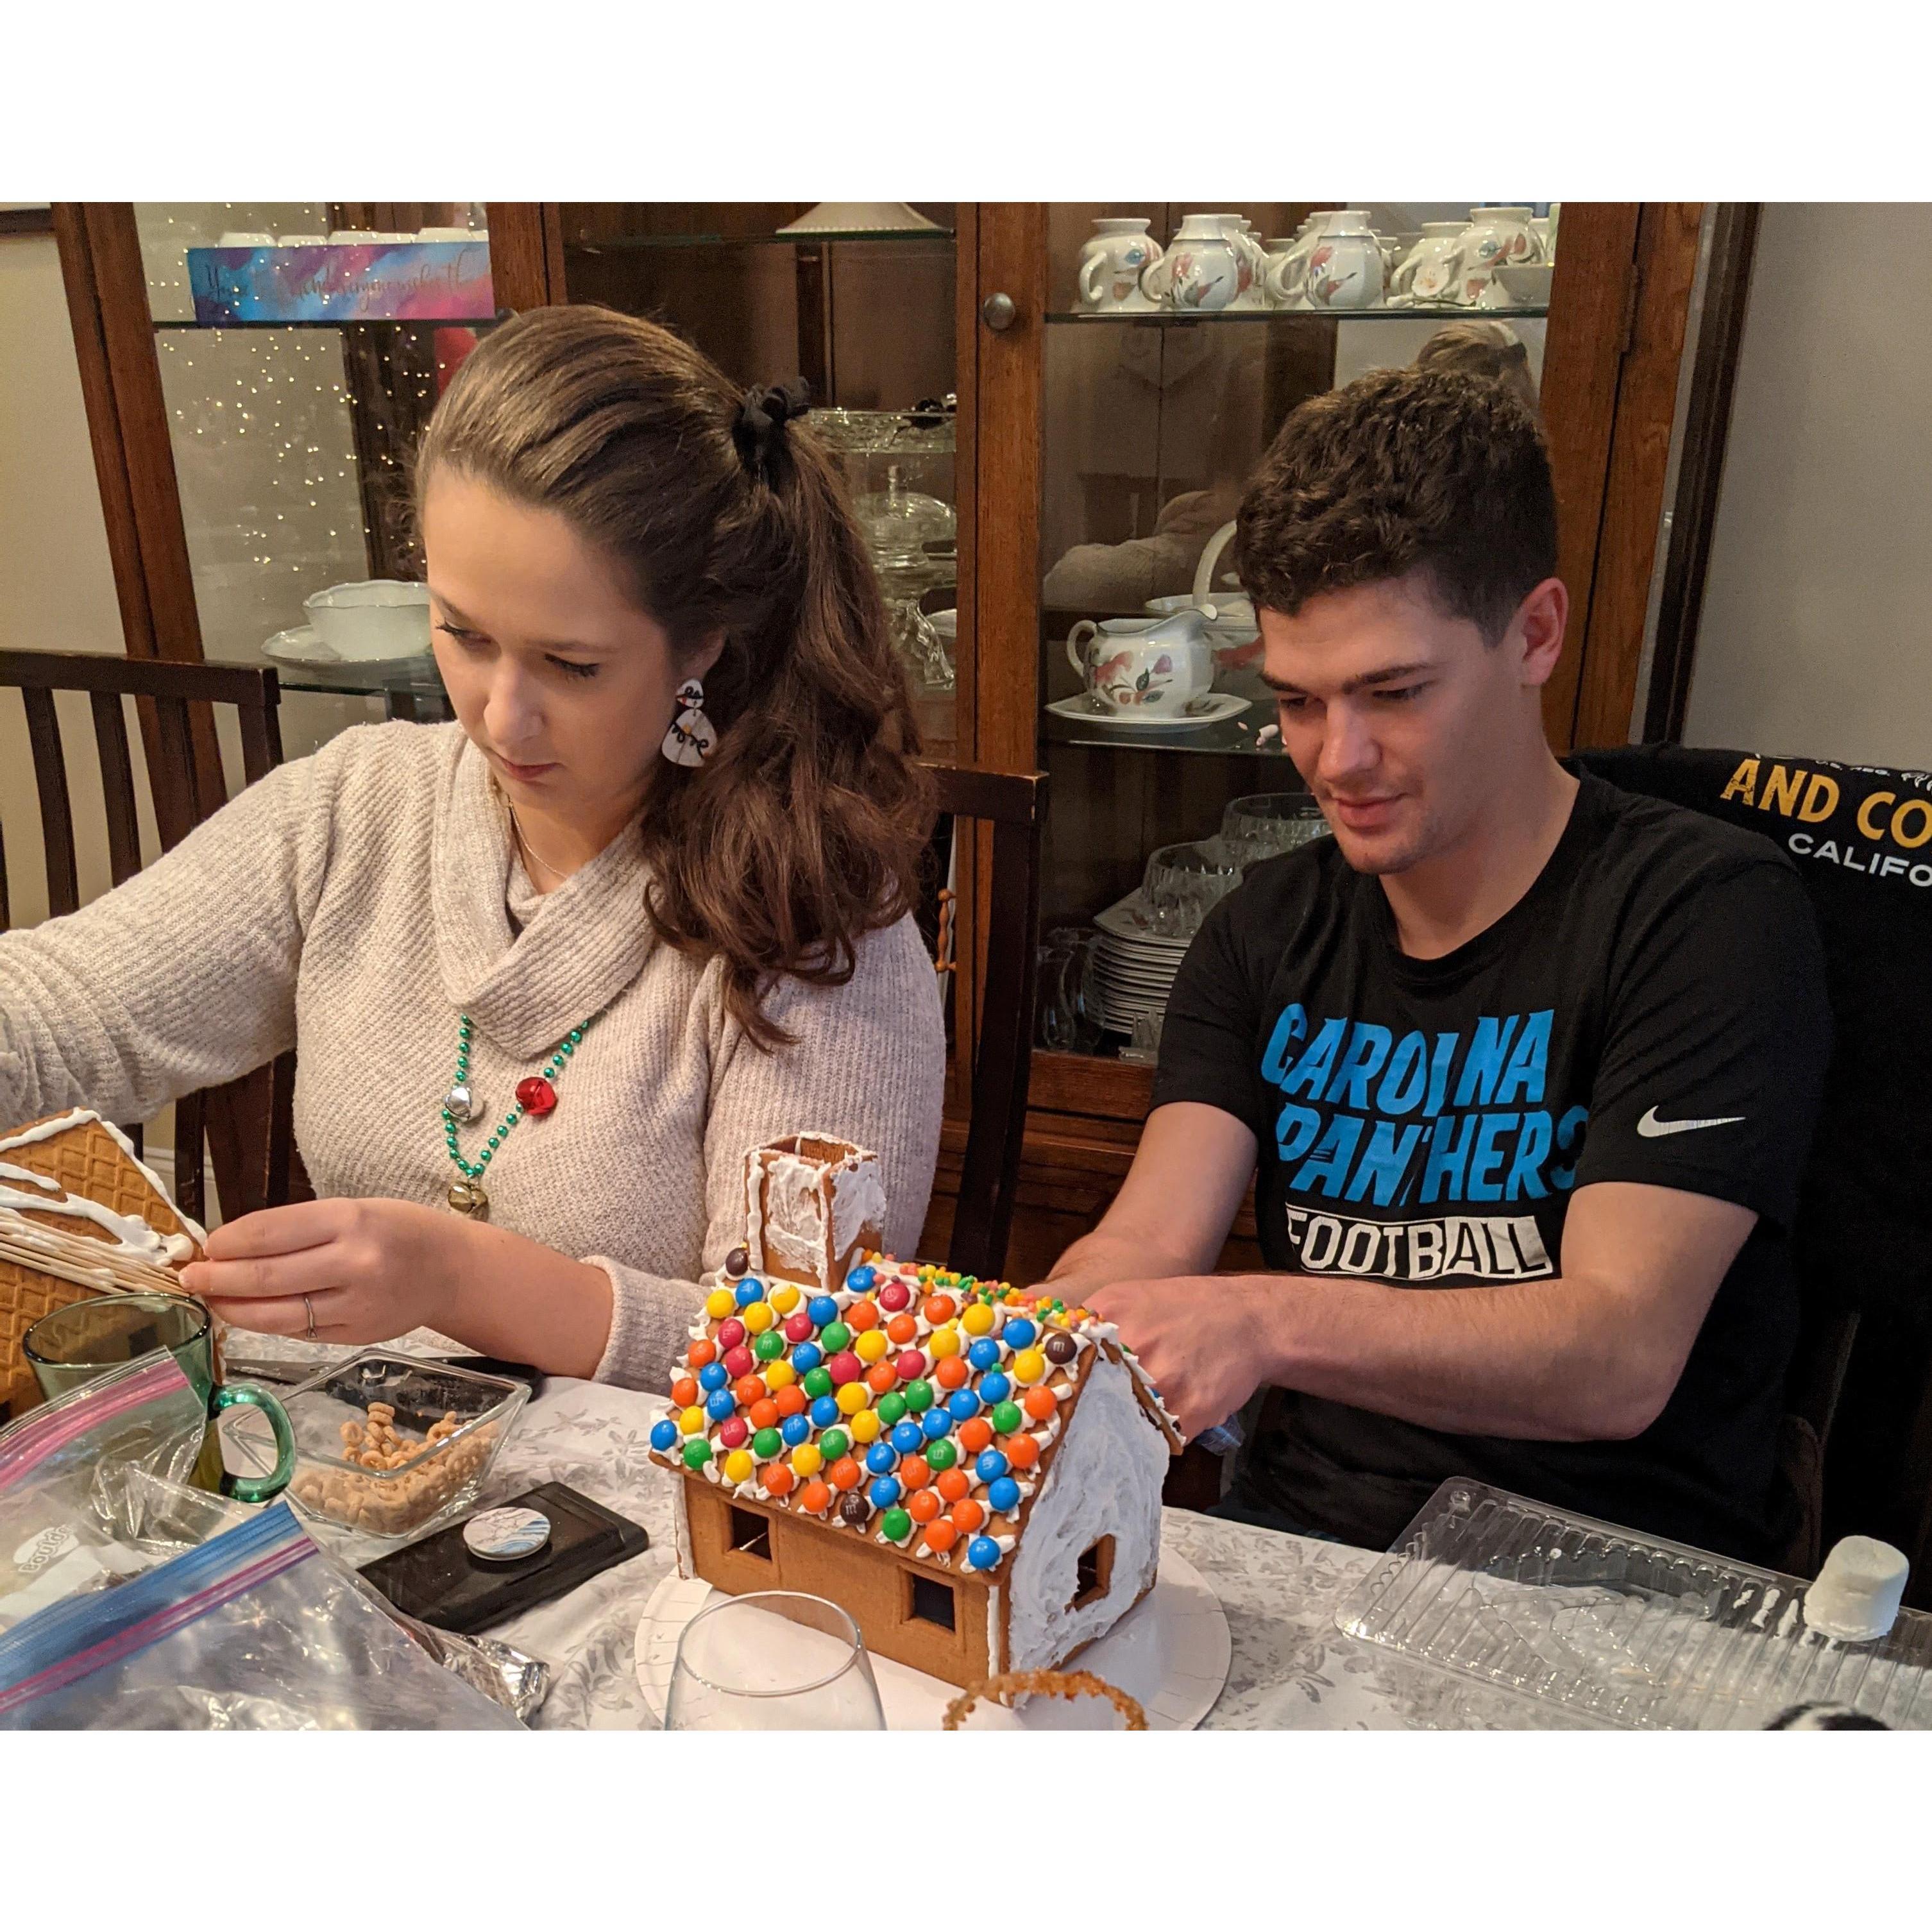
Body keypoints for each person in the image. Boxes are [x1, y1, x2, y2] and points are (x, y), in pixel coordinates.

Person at [0, 306, 947, 1389]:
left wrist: (459, 1278)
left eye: (571, 664)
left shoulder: (810, 915)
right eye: (464, 633)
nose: (501, 719)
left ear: (700, 643)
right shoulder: (355, 809)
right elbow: (61, 1012)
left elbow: (802, 1370)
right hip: (363, 1479)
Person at [1041, 366, 1832, 1564]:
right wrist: (1049, 1327)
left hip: (1609, 1581)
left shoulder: (1705, 915)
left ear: (1536, 633)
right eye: (1299, 700)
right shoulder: (1264, 927)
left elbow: (1616, 1356)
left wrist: (1263, 1319)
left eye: (1395, 692)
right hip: (1304, 1547)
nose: (1337, 759)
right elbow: (1150, 1243)